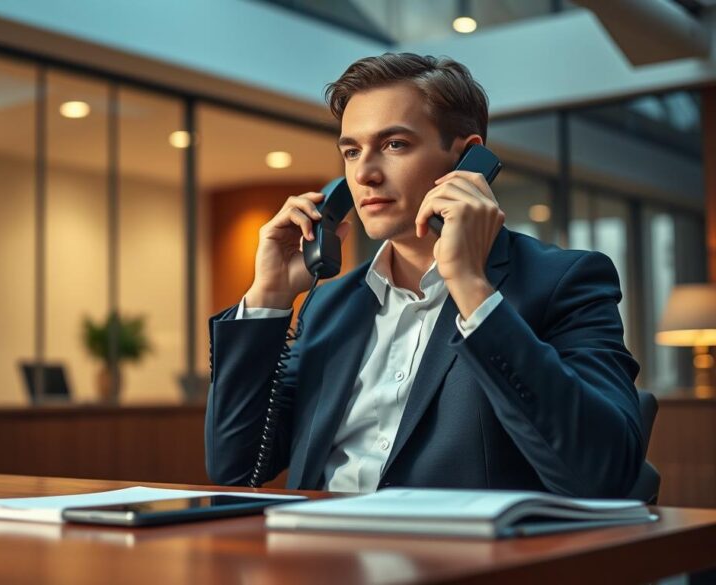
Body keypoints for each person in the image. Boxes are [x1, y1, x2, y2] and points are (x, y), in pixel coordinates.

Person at [204, 53, 643, 497]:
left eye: (394, 144)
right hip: (318, 554)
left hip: (461, 560)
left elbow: (605, 474)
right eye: (352, 151)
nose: (364, 174)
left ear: (468, 158)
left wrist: (473, 289)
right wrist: (268, 297)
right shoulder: (330, 305)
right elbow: (235, 466)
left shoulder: (565, 282)